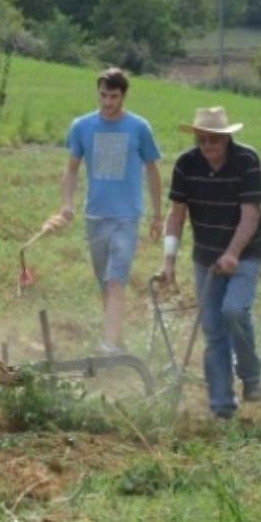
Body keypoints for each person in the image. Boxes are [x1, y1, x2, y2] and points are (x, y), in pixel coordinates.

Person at [43, 67, 162, 354]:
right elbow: (71, 169)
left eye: (114, 96)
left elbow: (152, 170)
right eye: (103, 95)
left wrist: (158, 214)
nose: (108, 102)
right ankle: (116, 338)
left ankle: (108, 345)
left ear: (124, 96)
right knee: (105, 283)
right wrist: (67, 204)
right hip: (95, 216)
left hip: (127, 217)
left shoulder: (139, 128)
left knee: (115, 279)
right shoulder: (82, 127)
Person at [160, 106, 261, 420]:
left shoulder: (247, 161)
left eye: (214, 141)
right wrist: (168, 261)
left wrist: (233, 252)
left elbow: (251, 215)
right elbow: (176, 215)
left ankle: (250, 374)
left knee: (234, 310)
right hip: (206, 257)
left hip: (245, 252)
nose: (208, 147)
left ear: (226, 138)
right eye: (202, 140)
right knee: (213, 330)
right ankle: (221, 407)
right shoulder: (186, 164)